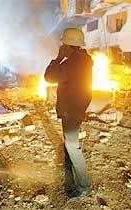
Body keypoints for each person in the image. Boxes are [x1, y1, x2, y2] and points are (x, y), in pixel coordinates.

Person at [44, 28, 92, 197]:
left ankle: (84, 187)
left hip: (71, 110)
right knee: (69, 143)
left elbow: (49, 76)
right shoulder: (85, 60)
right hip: (77, 108)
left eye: (63, 44)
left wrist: (58, 58)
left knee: (72, 146)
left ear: (68, 46)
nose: (62, 47)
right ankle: (70, 175)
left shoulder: (70, 63)